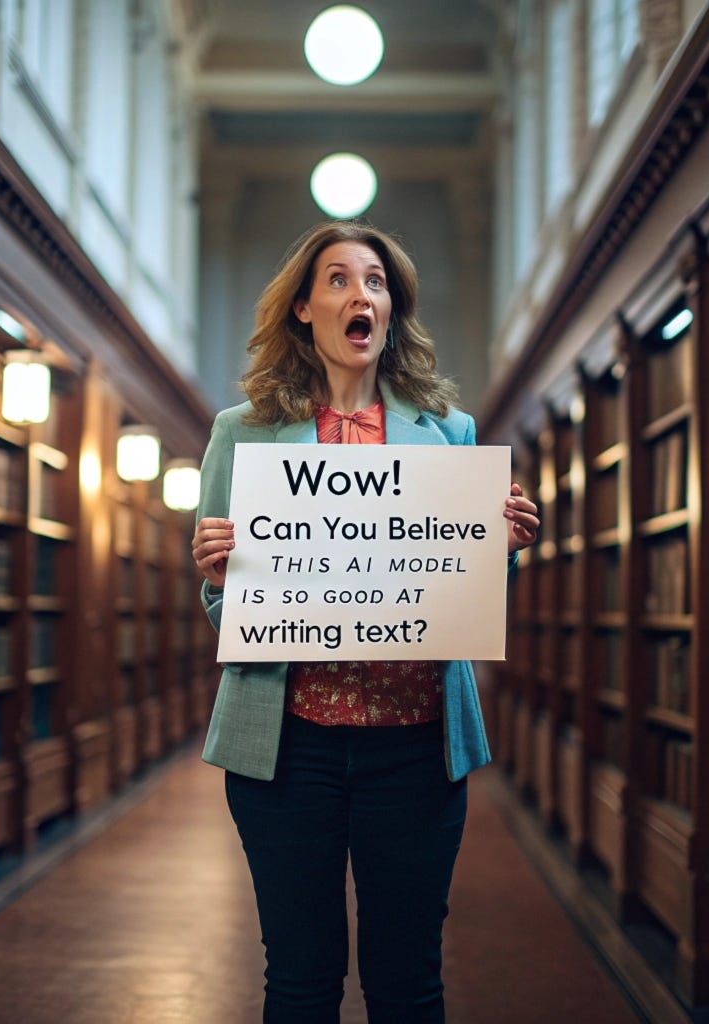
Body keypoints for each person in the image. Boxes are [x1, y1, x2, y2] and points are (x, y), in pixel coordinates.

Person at [191, 220, 539, 1023]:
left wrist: (504, 547)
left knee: (408, 980)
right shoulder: (239, 433)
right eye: (339, 279)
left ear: (391, 313)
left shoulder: (449, 433)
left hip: (415, 750)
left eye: (376, 281)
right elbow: (222, 607)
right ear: (305, 310)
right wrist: (220, 577)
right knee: (301, 980)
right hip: (287, 750)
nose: (361, 293)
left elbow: (462, 586)